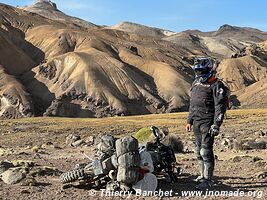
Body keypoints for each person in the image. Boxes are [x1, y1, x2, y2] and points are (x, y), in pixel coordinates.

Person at [185, 57, 228, 189]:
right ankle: (202, 175)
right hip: (197, 122)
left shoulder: (216, 85)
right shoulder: (196, 83)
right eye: (197, 70)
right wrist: (189, 120)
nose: (199, 73)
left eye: (201, 70)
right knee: (198, 151)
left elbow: (220, 107)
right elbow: (193, 104)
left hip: (208, 123)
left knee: (205, 151)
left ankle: (208, 180)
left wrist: (216, 124)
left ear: (208, 69)